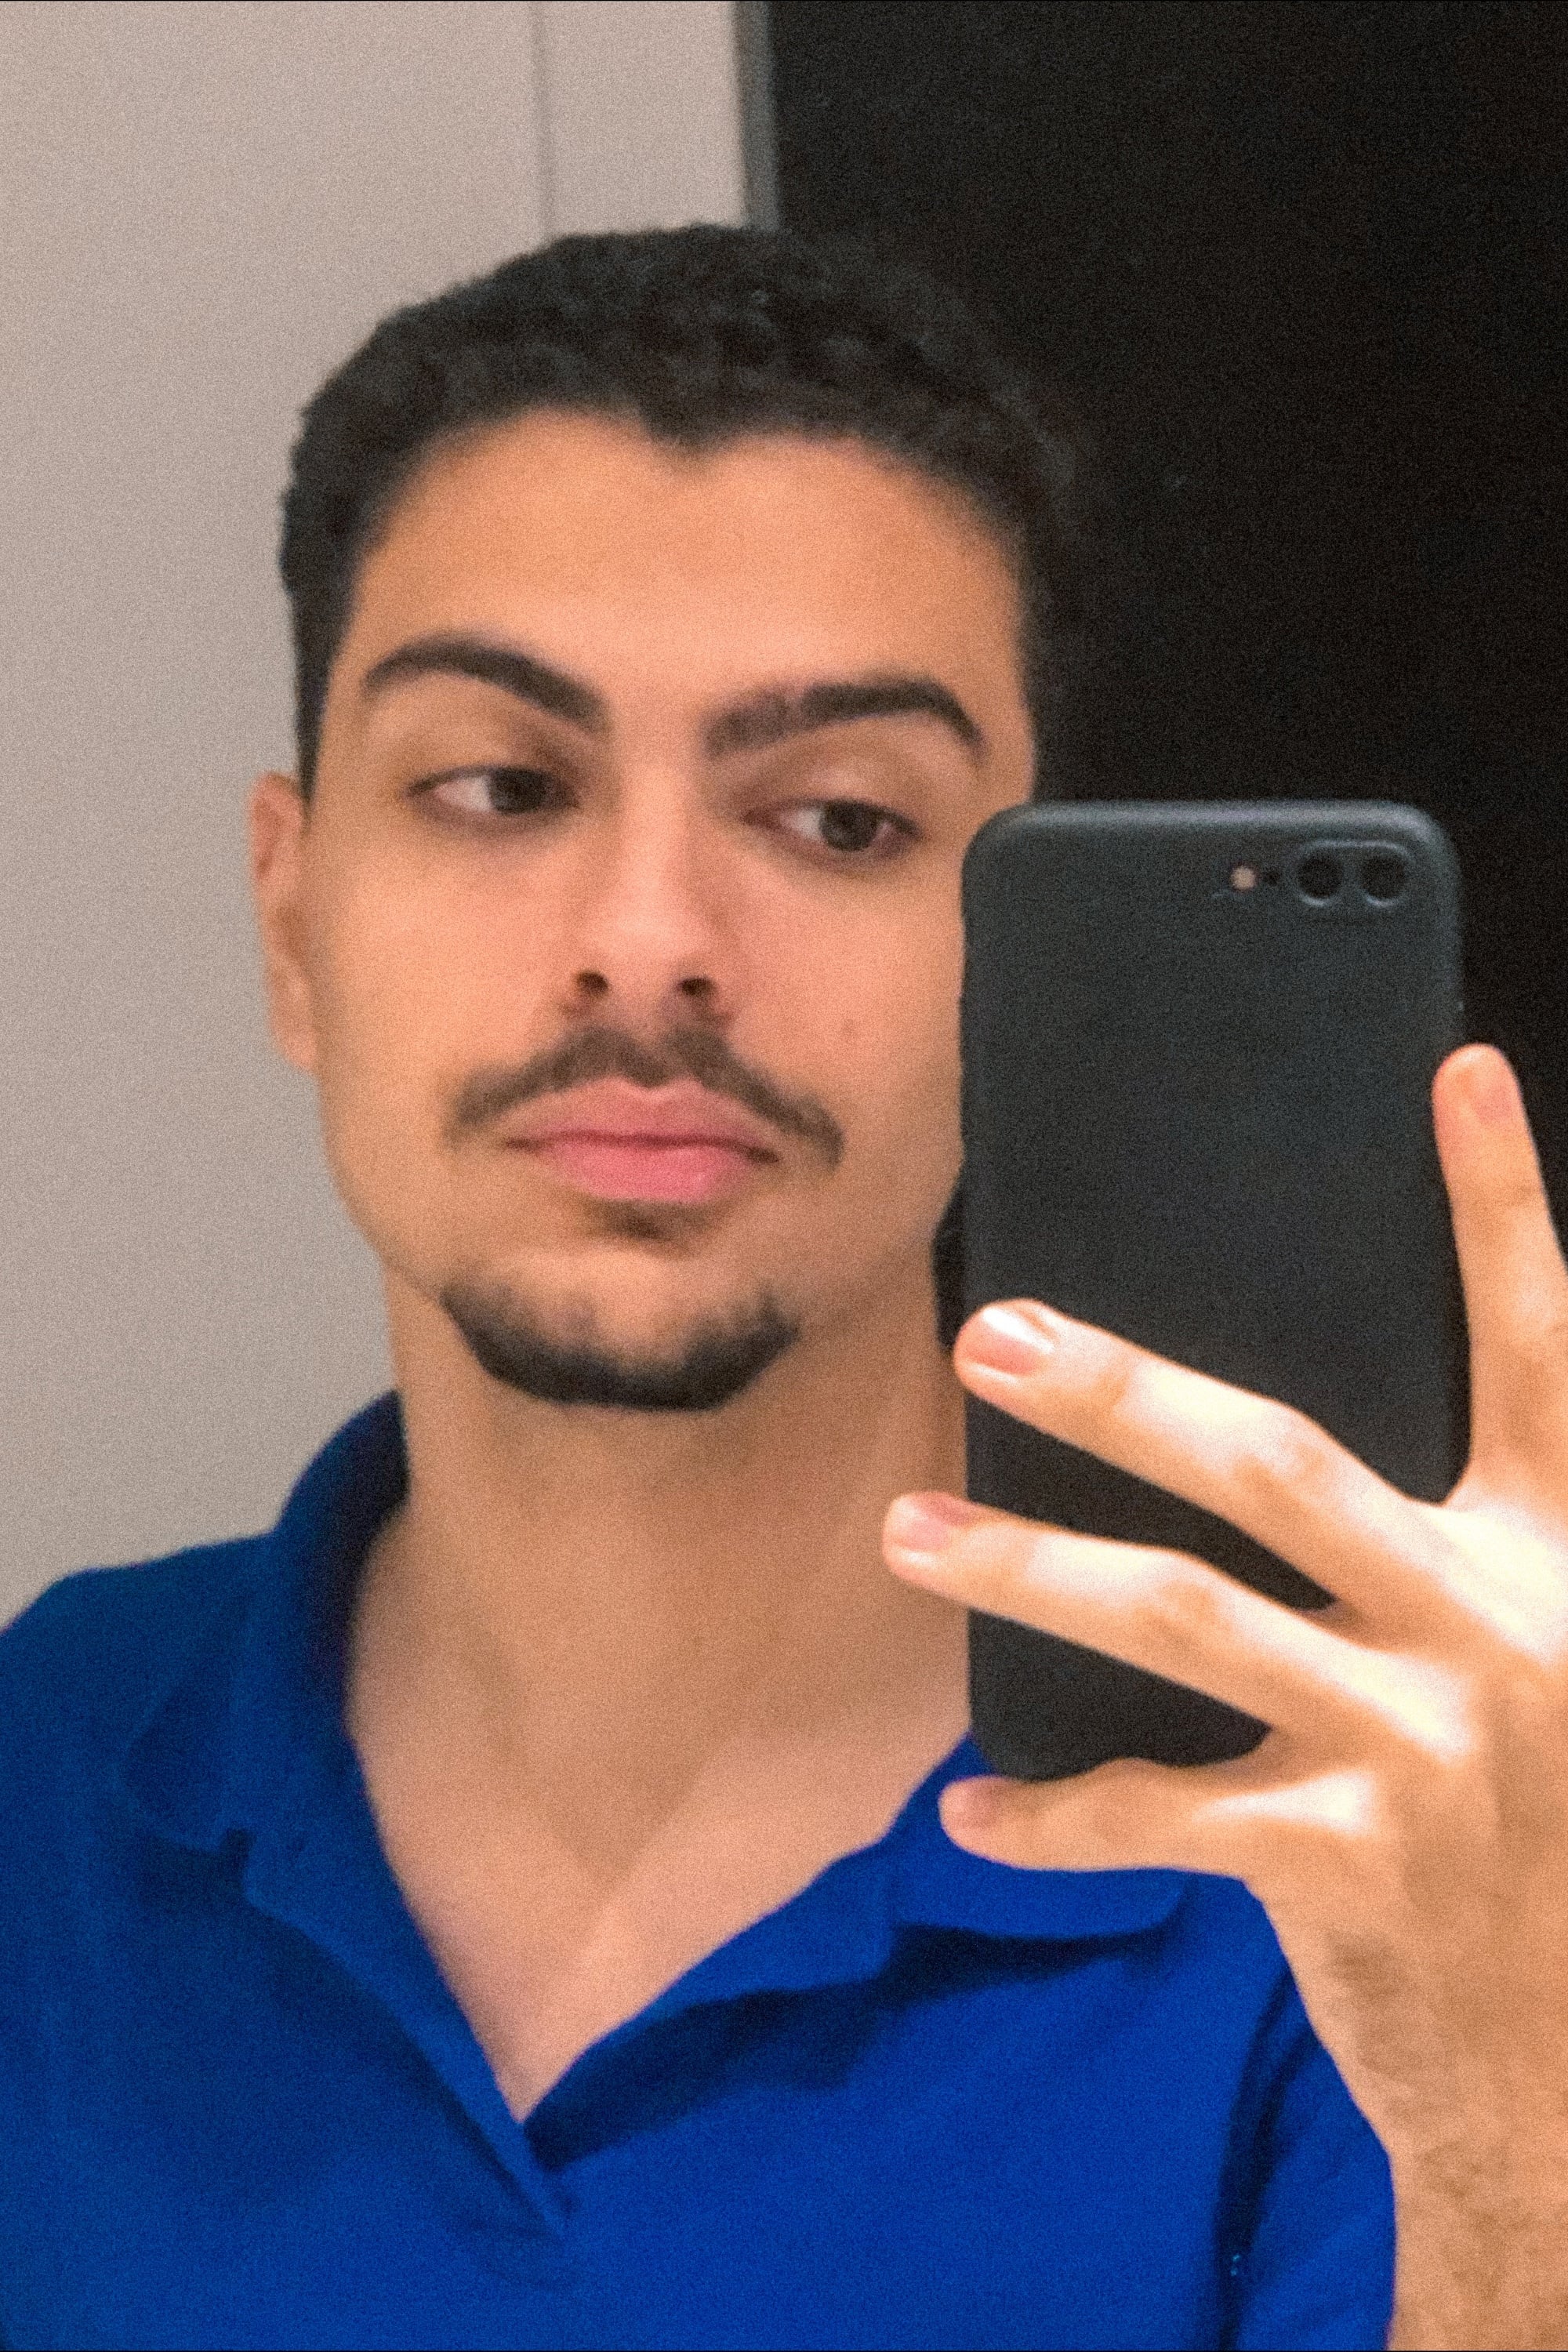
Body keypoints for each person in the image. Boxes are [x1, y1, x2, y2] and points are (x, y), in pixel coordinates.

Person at [2, 225, 1563, 2352]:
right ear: (293, 924)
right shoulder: (44, 1771)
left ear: (1025, 976)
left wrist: (1525, 2135)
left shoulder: (1366, 1840)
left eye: (837, 820)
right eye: (501, 788)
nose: (649, 941)